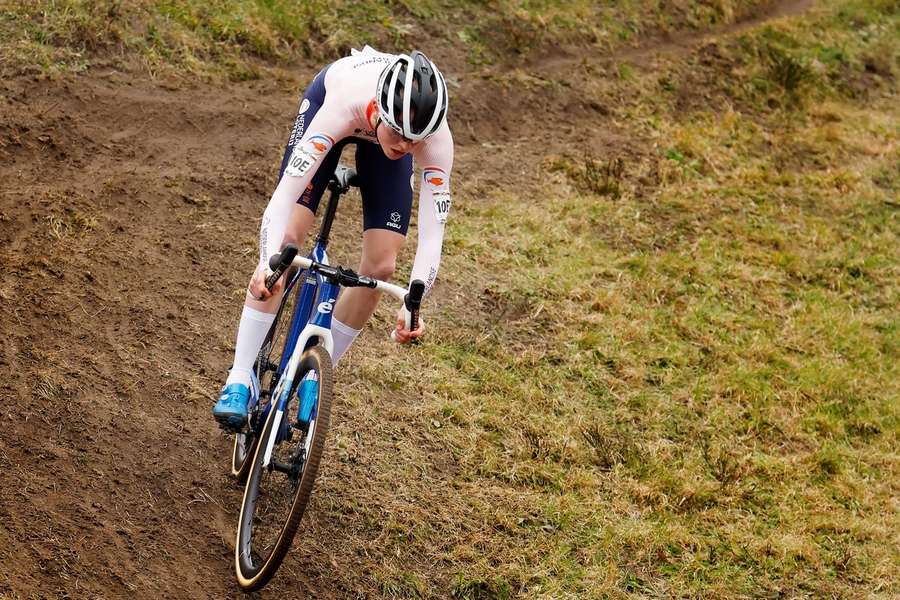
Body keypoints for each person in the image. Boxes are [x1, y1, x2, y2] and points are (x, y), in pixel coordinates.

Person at [212, 46, 455, 429]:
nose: (407, 146)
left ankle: (316, 373)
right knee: (286, 242)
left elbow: (432, 232)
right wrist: (265, 262)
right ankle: (240, 377)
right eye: (401, 135)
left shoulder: (433, 137)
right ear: (381, 110)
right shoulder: (345, 102)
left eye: (416, 140)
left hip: (377, 131)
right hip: (331, 103)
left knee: (382, 267)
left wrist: (413, 303)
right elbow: (283, 197)